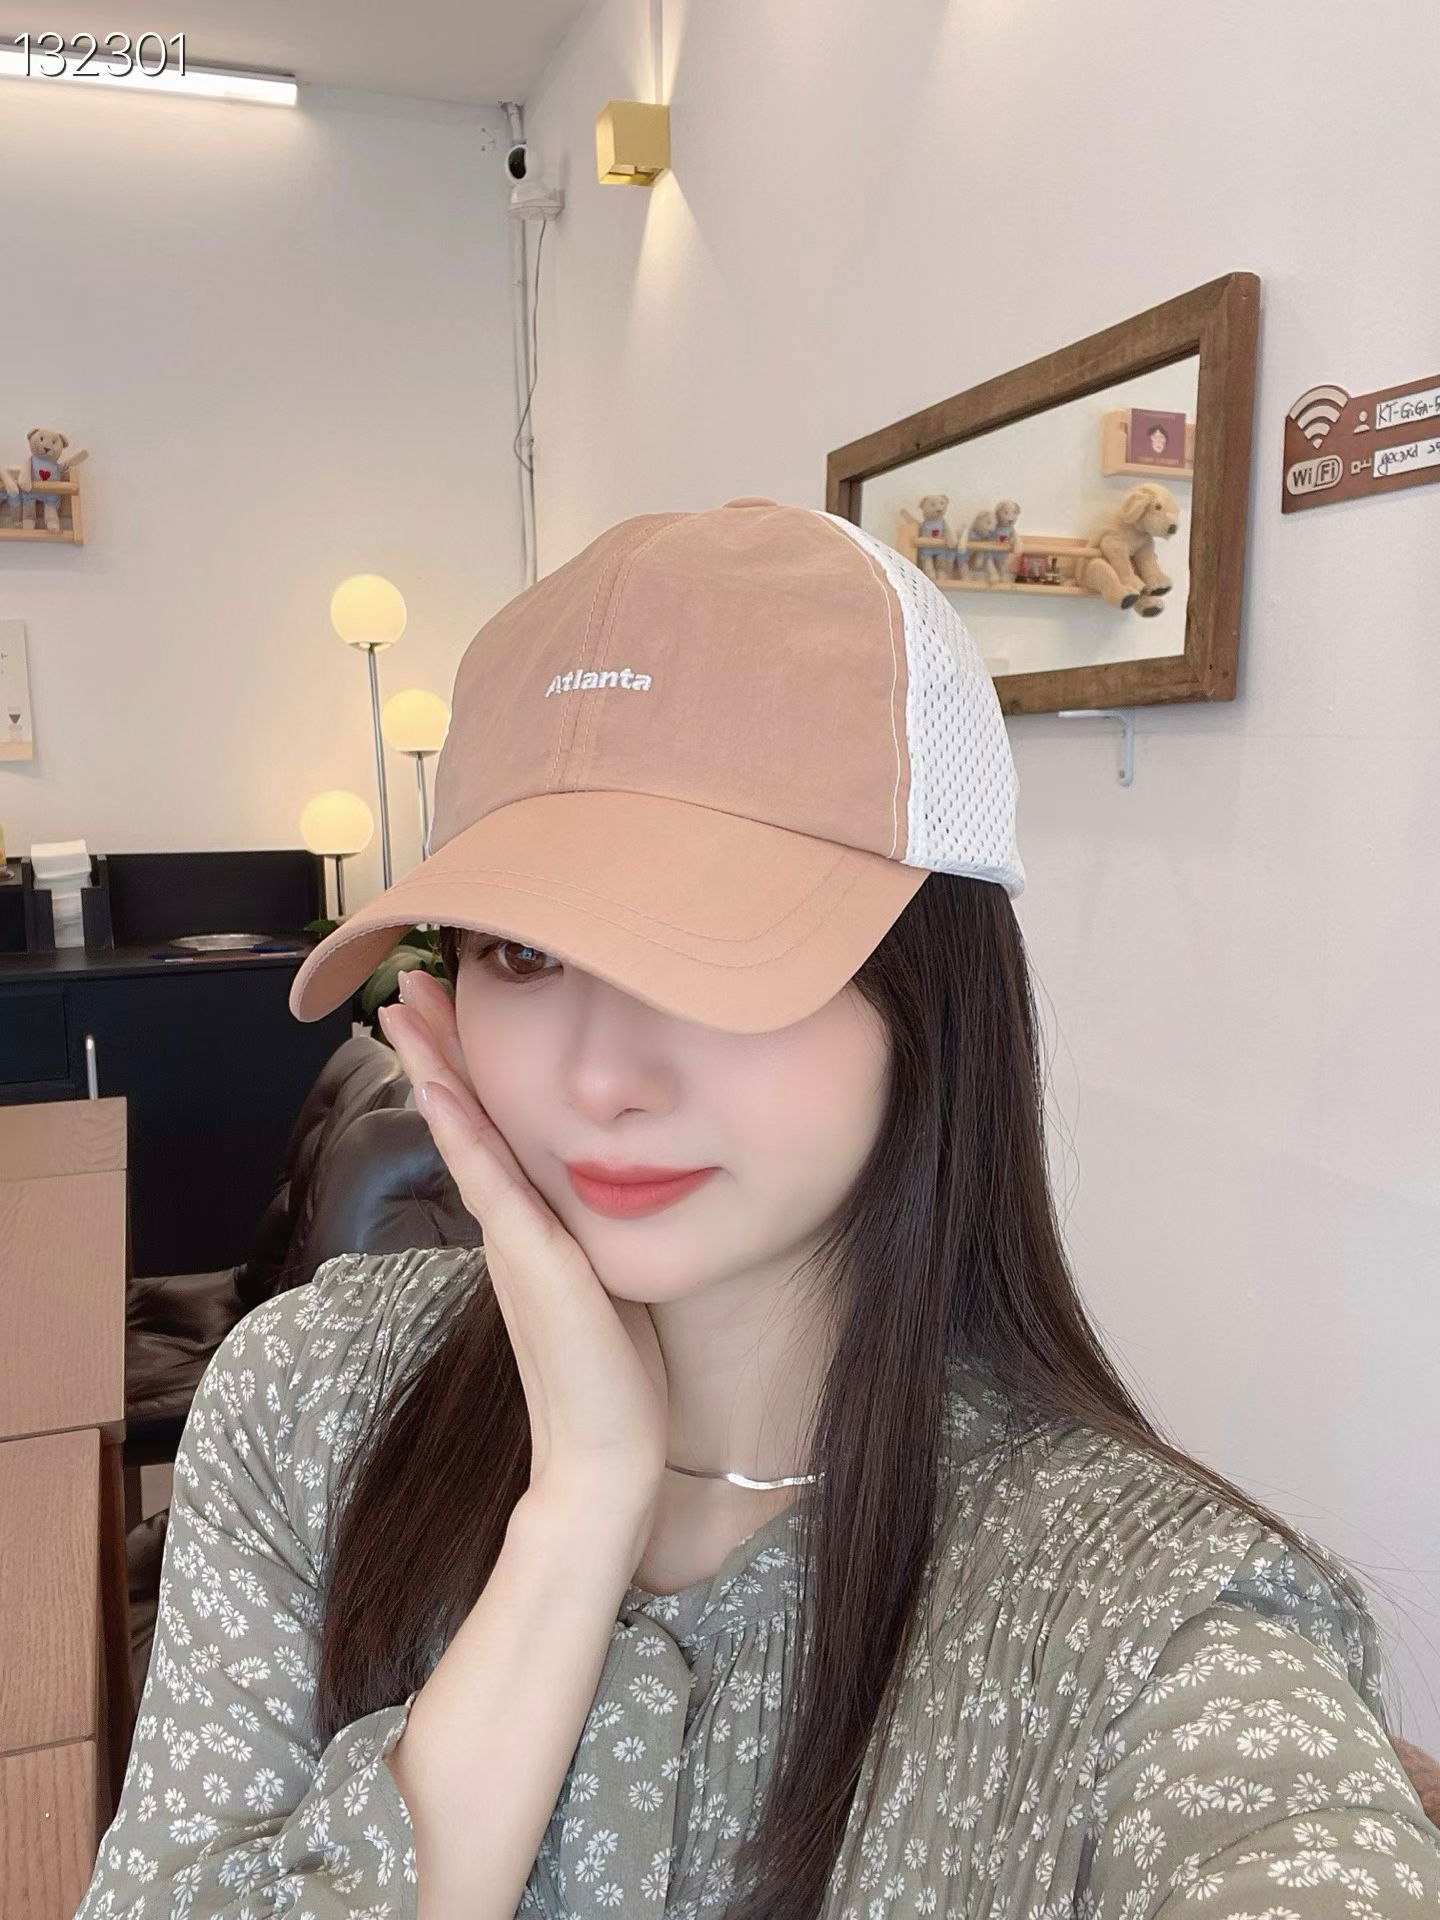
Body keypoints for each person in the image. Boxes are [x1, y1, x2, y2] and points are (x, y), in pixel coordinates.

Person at [78, 499, 1440, 1919]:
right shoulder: (313, 1395)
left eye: (711, 942)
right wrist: (578, 1506)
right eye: (522, 952)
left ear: (935, 989)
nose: (599, 1079)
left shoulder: (1145, 1622)